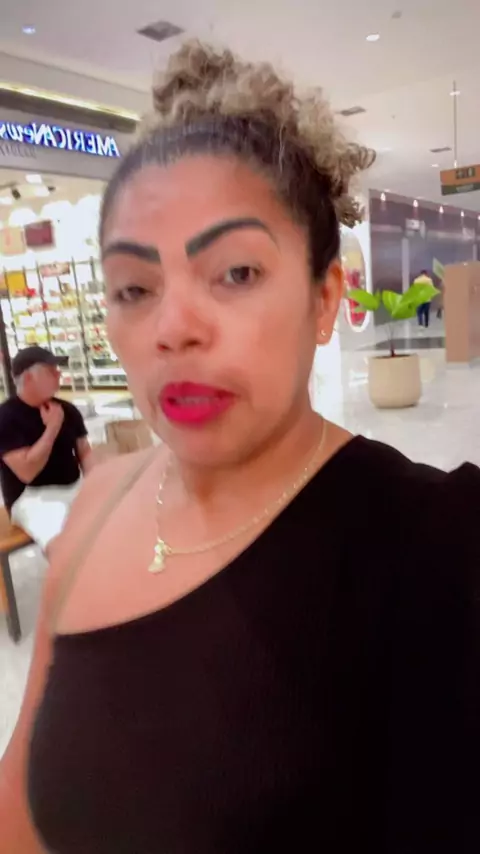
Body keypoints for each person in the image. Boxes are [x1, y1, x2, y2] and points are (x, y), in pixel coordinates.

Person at [0, 43, 479, 854]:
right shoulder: (100, 509)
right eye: (134, 288)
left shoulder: (436, 547)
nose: (173, 327)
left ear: (324, 299)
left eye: (236, 273)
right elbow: (19, 798)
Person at [0, 346, 92, 551]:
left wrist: (98, 484)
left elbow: (85, 451)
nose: (58, 374)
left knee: (113, 520)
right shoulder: (6, 417)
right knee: (64, 542)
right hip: (30, 497)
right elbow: (27, 472)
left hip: (73, 487)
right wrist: (52, 428)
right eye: (51, 371)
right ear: (28, 378)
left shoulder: (67, 409)